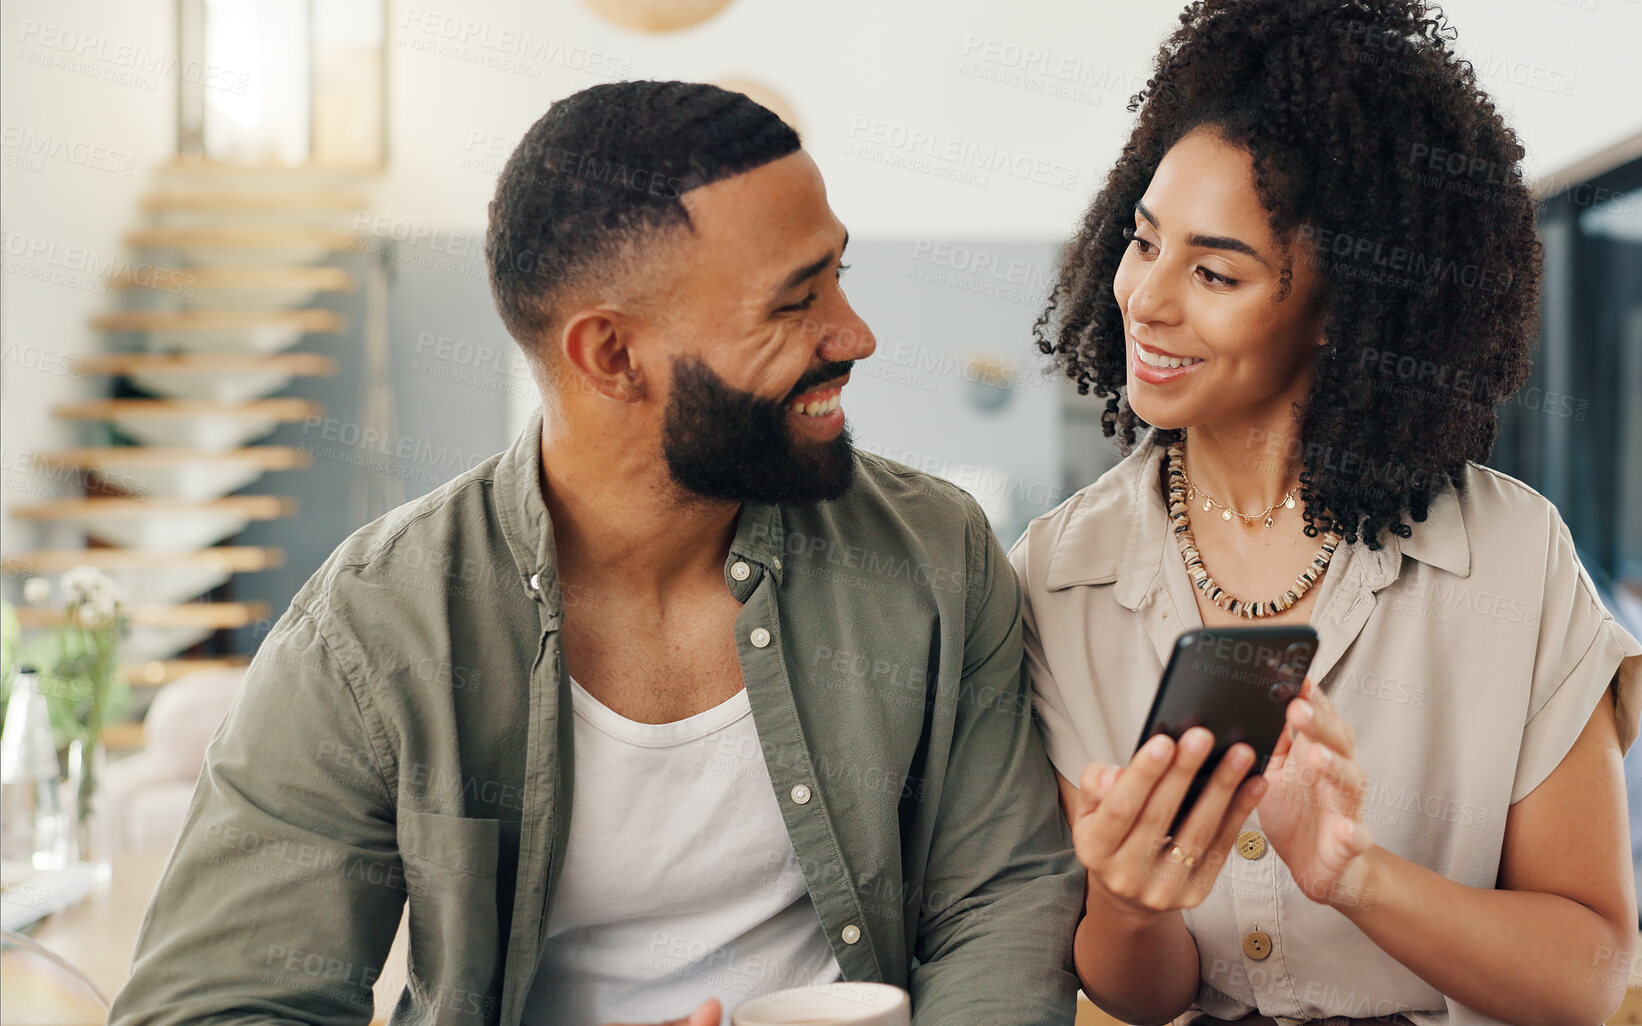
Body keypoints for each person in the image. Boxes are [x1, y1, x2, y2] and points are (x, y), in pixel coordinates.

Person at [109, 81, 1082, 1026]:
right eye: (792, 305)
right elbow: (220, 1002)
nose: (854, 335)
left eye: (839, 273)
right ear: (609, 356)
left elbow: (999, 899)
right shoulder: (374, 630)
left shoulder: (934, 556)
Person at [1012, 2, 1642, 1024]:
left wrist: (1355, 875)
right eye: (1142, 242)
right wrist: (1129, 909)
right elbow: (1141, 995)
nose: (1146, 298)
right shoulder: (1058, 570)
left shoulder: (1509, 561)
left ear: (1338, 311)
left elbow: (1584, 979)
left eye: (1214, 271)